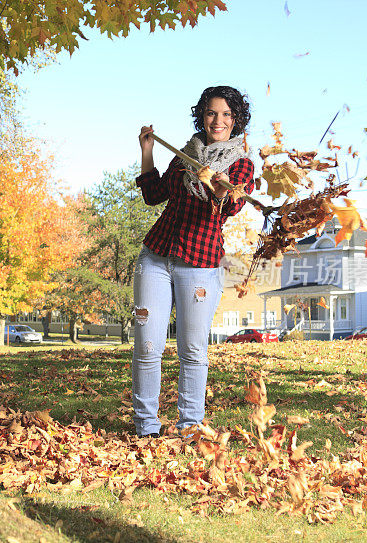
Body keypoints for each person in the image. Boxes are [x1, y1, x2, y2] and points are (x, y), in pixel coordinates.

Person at [132, 85, 254, 437]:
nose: (218, 120)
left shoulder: (241, 165)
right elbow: (154, 195)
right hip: (156, 256)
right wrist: (147, 151)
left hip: (199, 263)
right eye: (212, 112)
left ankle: (189, 425)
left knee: (193, 349)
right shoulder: (185, 155)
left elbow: (230, 207)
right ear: (202, 115)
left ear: (236, 120)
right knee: (148, 345)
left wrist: (220, 189)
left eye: (227, 114)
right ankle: (146, 426)